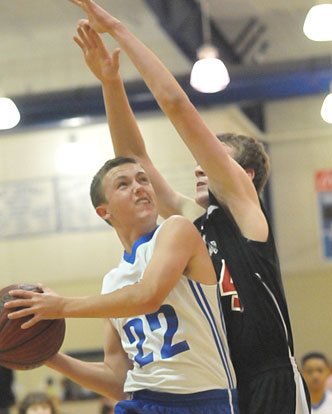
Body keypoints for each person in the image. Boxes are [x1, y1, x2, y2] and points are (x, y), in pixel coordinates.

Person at [65, 1, 311, 413]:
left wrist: (119, 30)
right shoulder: (196, 222)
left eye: (216, 157)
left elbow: (176, 106)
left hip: (272, 379)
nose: (201, 166)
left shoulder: (246, 213)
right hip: (226, 384)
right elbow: (133, 158)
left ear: (244, 175)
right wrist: (111, 82)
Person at [5, 156, 238, 414]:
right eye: (123, 184)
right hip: (142, 400)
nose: (139, 187)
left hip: (201, 400)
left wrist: (61, 306)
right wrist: (47, 355)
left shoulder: (176, 230)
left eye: (143, 179)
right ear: (104, 211)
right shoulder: (112, 282)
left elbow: (148, 296)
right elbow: (118, 381)